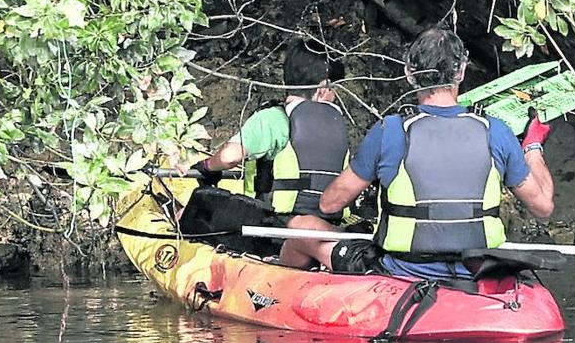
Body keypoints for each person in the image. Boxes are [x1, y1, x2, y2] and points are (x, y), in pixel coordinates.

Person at [278, 28, 554, 279]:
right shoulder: (496, 131)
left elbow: (329, 204)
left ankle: (280, 285)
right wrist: (532, 147)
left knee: (303, 227)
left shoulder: (391, 131)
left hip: (402, 269)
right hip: (476, 268)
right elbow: (543, 206)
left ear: (409, 72)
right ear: (460, 72)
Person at [189, 40, 351, 225]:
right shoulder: (337, 125)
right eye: (335, 90)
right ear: (323, 88)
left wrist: (208, 167)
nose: (334, 96)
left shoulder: (273, 118)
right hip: (328, 224)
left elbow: (229, 157)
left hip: (275, 226)